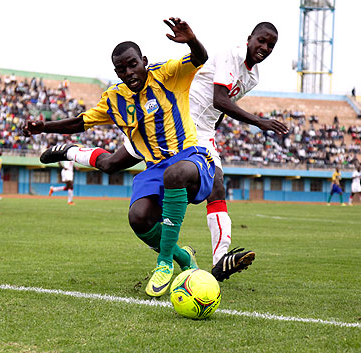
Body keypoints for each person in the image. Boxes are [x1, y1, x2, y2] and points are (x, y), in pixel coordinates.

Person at [38, 22, 288, 282]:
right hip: (175, 120)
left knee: (215, 185)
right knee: (110, 164)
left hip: (196, 132)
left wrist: (214, 130)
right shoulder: (229, 56)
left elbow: (223, 106)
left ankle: (218, 260)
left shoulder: (252, 76)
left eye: (271, 45)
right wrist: (259, 122)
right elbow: (218, 97)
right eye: (261, 41)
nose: (264, 48)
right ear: (249, 39)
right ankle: (69, 152)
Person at [25, 17, 215, 297]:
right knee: (138, 218)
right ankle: (183, 258)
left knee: (168, 173)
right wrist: (45, 127)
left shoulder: (168, 74)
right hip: (153, 165)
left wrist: (192, 40)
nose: (127, 72)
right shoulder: (115, 98)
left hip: (189, 157)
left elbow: (200, 57)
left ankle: (164, 263)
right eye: (120, 69)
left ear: (144, 61)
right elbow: (81, 122)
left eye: (132, 64)